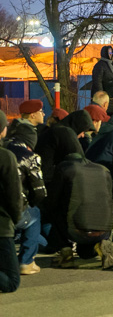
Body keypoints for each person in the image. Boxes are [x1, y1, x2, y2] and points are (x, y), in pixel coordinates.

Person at [45, 140, 113, 269]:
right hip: (104, 230)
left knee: (53, 213)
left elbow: (52, 200)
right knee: (85, 253)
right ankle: (100, 244)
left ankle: (65, 252)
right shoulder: (104, 170)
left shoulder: (65, 168)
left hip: (76, 229)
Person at [5, 122, 45, 277]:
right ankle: (26, 261)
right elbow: (40, 192)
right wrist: (31, 203)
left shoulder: (3, 150)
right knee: (34, 215)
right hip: (15, 209)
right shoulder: (30, 156)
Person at [0, 113, 22, 293]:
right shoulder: (6, 157)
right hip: (2, 224)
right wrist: (16, 217)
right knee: (11, 281)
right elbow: (14, 194)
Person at [90, 46, 113, 112]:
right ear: (104, 53)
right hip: (106, 97)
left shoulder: (112, 64)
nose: (110, 54)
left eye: (111, 53)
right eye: (109, 52)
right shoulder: (99, 65)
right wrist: (101, 96)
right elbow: (97, 81)